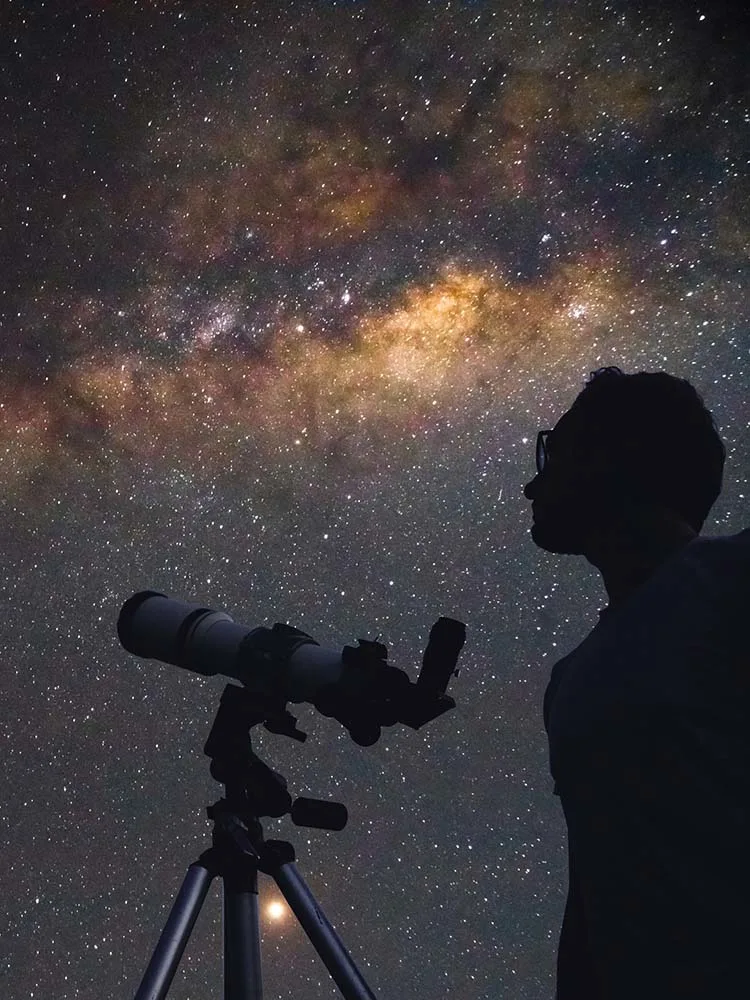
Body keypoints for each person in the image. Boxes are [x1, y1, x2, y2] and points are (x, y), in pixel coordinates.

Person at [523, 366, 749, 999]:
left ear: (614, 457)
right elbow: (593, 891)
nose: (531, 484)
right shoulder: (571, 679)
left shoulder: (732, 582)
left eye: (554, 452)